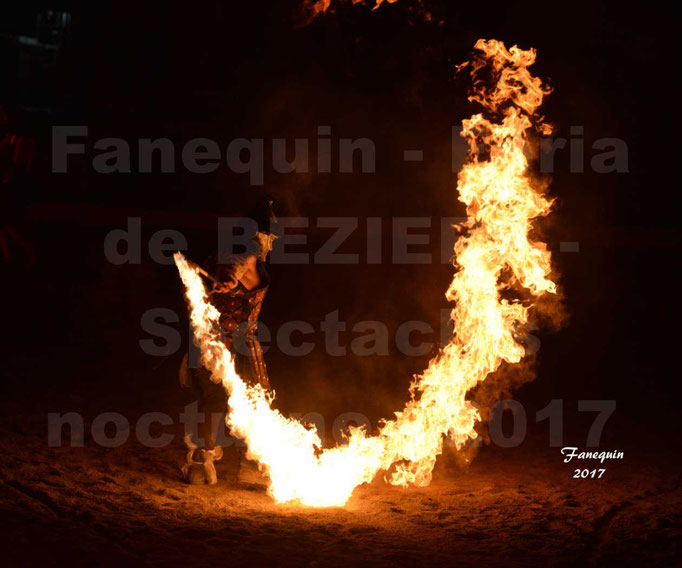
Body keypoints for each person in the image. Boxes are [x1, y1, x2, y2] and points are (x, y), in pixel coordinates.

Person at [179, 200, 278, 485]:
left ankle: (201, 462)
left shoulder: (217, 255)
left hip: (207, 345)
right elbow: (240, 264)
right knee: (257, 401)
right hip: (238, 348)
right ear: (259, 237)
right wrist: (231, 277)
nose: (271, 246)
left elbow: (230, 267)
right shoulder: (246, 259)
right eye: (269, 239)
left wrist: (225, 276)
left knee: (211, 402)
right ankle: (252, 467)